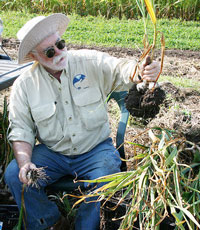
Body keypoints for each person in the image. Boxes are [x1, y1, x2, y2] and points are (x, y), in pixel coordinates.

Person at [5, 13, 160, 230]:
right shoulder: (25, 85)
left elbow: (122, 70)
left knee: (106, 178)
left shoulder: (90, 62)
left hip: (95, 149)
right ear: (34, 56)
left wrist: (142, 71)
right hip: (53, 154)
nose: (59, 52)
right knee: (14, 174)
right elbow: (21, 130)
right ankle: (51, 222)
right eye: (49, 51)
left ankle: (86, 226)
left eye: (60, 44)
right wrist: (25, 164)